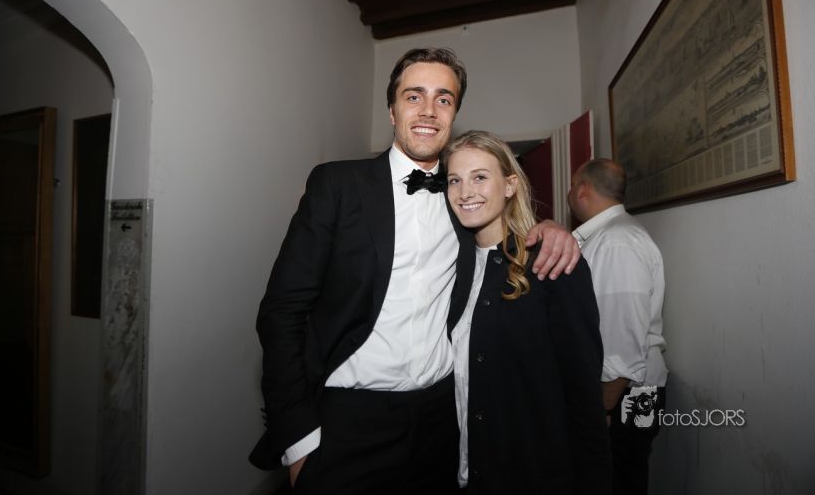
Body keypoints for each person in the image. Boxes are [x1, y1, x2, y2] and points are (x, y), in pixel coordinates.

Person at [249, 48, 581, 494]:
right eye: (413, 96)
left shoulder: (463, 197)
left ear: (454, 113)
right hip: (349, 424)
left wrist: (552, 230)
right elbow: (282, 313)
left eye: (443, 99)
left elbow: (503, 234)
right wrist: (298, 440)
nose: (428, 110)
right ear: (392, 111)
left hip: (443, 423)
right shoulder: (338, 185)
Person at [443, 131, 611, 494]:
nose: (465, 192)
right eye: (454, 180)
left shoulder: (552, 264)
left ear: (510, 185)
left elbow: (583, 393)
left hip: (530, 475)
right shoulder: (446, 266)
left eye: (480, 177)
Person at [567, 158, 667, 495]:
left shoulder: (617, 242)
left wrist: (603, 406)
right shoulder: (609, 236)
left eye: (572, 185)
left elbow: (622, 339)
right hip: (624, 389)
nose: (570, 192)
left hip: (628, 392)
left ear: (583, 190)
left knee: (619, 479)